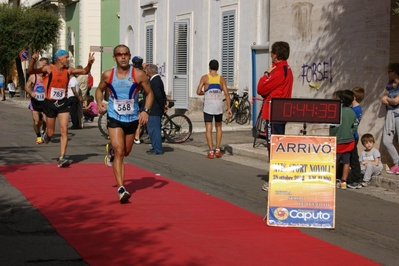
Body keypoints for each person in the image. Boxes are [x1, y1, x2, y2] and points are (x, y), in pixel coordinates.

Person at [95, 45, 153, 204]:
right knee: (120, 151)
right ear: (114, 57)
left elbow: (150, 93)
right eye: (119, 54)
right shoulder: (108, 74)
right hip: (114, 117)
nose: (123, 57)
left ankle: (111, 150)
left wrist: (145, 111)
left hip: (132, 118)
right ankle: (121, 188)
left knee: (125, 152)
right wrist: (99, 102)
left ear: (129, 56)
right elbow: (99, 90)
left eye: (126, 54)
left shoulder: (139, 75)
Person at [28, 49, 95, 167]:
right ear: (59, 58)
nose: (68, 59)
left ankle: (62, 157)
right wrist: (33, 61)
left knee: (64, 130)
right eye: (66, 57)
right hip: (49, 103)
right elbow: (31, 71)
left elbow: (85, 71)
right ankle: (47, 136)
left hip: (63, 103)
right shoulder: (49, 69)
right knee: (51, 132)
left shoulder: (68, 70)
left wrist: (89, 63)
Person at [257, 41, 294, 191]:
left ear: (276, 55)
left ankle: (275, 179)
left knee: (273, 147)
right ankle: (279, 176)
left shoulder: (278, 70)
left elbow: (261, 88)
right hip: (281, 111)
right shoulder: (287, 69)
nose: (270, 55)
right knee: (277, 146)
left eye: (272, 52)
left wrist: (266, 73)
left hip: (273, 112)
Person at [196, 59, 232, 159]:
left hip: (208, 107)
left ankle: (210, 151)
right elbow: (227, 94)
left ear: (209, 67)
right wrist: (229, 108)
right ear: (218, 68)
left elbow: (198, 91)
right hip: (218, 107)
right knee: (219, 128)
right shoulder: (221, 79)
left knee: (208, 128)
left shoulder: (204, 78)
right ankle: (217, 150)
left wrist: (205, 92)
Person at [330, 90, 358, 189]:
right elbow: (355, 126)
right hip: (349, 141)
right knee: (346, 161)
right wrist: (350, 132)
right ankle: (343, 181)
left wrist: (331, 136)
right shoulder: (352, 112)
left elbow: (334, 127)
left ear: (341, 100)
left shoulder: (337, 112)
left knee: (335, 160)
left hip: (338, 141)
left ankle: (332, 179)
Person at [25, 57, 50, 144]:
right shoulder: (33, 77)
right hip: (35, 102)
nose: (42, 68)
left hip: (45, 102)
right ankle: (38, 135)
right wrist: (31, 92)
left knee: (46, 120)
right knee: (36, 122)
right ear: (38, 67)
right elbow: (26, 87)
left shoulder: (48, 76)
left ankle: (43, 132)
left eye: (45, 66)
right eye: (41, 66)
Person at [144, 63, 167, 155]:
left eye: (146, 70)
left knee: (155, 129)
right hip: (153, 109)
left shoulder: (155, 81)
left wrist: (162, 106)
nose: (145, 71)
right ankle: (154, 147)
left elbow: (158, 95)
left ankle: (157, 148)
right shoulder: (154, 80)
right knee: (152, 129)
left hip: (155, 109)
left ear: (149, 71)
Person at [346, 87, 365, 189]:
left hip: (353, 136)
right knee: (348, 157)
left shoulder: (356, 110)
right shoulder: (354, 108)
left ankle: (356, 179)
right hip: (351, 136)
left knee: (353, 158)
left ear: (354, 97)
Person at [381, 63, 399, 174]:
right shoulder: (389, 85)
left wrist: (389, 99)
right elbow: (383, 100)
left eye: (389, 71)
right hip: (390, 113)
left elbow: (397, 101)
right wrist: (391, 100)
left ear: (395, 72)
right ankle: (397, 163)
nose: (388, 73)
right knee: (386, 140)